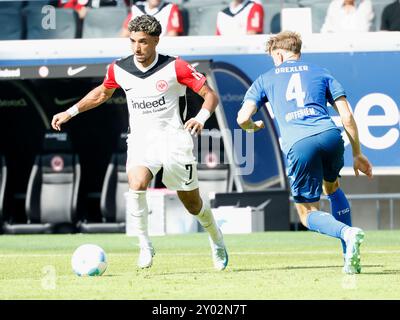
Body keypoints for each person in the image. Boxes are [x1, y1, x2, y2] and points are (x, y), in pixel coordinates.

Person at [51, 14, 228, 271]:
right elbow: (102, 93)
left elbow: (209, 95)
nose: (137, 48)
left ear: (156, 40)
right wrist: (70, 112)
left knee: (192, 204)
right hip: (141, 140)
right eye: (133, 41)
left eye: (143, 42)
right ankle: (144, 245)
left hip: (174, 141)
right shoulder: (119, 68)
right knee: (136, 184)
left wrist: (200, 118)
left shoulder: (176, 66)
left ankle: (216, 240)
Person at [237, 31, 373, 274]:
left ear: (278, 53)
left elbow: (242, 117)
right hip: (330, 136)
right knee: (332, 187)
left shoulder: (265, 78)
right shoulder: (321, 72)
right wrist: (357, 153)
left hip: (299, 144)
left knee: (306, 213)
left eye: (272, 57)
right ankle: (348, 256)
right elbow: (347, 116)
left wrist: (251, 127)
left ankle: (347, 233)